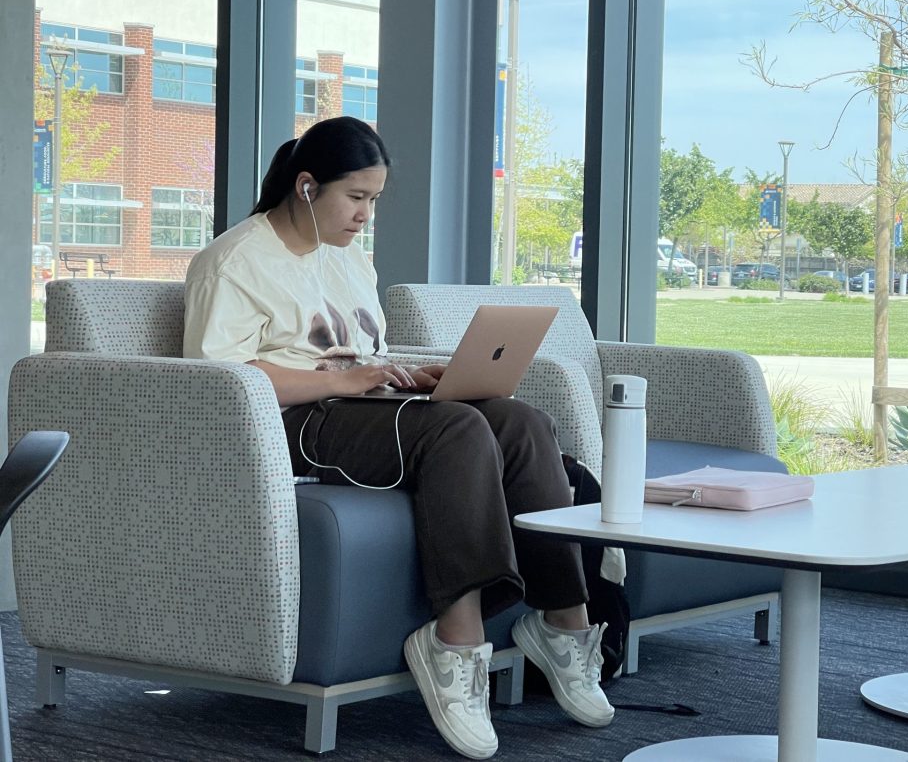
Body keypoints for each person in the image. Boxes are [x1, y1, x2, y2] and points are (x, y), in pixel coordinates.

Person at [182, 116, 613, 760]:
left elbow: (364, 351)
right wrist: (352, 381)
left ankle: (562, 622)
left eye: (374, 200)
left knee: (522, 421)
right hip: (295, 424)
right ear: (306, 187)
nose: (365, 215)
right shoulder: (234, 261)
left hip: (367, 405)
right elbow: (221, 380)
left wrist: (406, 372)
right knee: (458, 429)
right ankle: (453, 641)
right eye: (355, 198)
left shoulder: (348, 257)